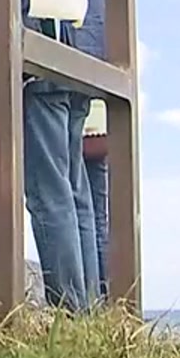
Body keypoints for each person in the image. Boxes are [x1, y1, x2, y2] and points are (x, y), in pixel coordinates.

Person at [16, 0, 106, 313]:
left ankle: (70, 310)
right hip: (85, 62)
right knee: (76, 194)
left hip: (50, 58)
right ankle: (88, 309)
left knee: (49, 192)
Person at [82, 97, 110, 303]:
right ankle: (106, 295)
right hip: (102, 125)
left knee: (83, 215)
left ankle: (91, 296)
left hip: (80, 129)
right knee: (99, 219)